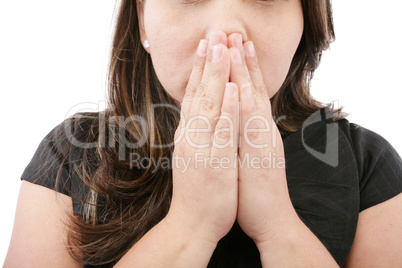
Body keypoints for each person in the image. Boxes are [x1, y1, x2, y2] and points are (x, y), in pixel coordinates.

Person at [4, 0, 402, 267]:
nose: (225, 31)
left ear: (305, 21)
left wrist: (278, 225)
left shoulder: (366, 163)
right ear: (143, 17)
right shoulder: (73, 154)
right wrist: (191, 224)